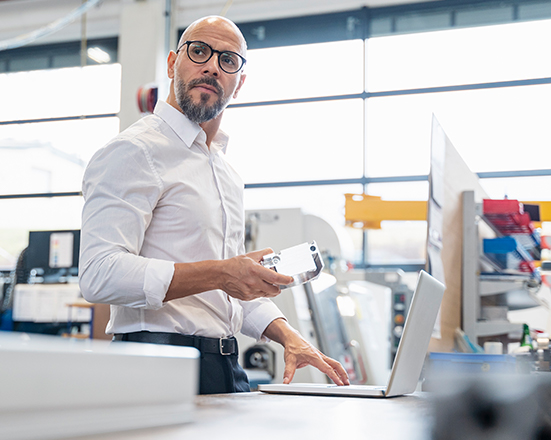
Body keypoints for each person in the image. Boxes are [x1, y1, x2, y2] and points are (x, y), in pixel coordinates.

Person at [79, 15, 350, 394]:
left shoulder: (225, 172)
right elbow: (98, 273)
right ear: (173, 63)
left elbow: (229, 292)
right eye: (200, 51)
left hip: (224, 365)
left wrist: (289, 336)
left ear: (238, 83)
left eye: (228, 60)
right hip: (156, 367)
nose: (211, 66)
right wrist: (221, 272)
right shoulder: (134, 151)